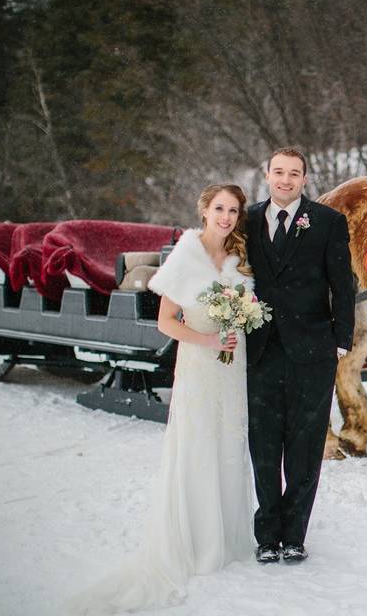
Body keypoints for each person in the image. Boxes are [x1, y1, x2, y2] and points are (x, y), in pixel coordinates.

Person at [66, 184, 256, 614]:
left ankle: (227, 537)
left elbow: (247, 306)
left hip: (234, 365)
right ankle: (197, 542)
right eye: (219, 208)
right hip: (201, 363)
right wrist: (207, 340)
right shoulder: (185, 257)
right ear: (205, 211)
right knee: (199, 444)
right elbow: (166, 323)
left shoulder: (237, 259)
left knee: (229, 443)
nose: (226, 217)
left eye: (233, 210)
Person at [245, 148, 355, 564]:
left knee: (306, 446)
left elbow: (343, 285)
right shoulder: (248, 219)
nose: (285, 180)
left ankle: (294, 535)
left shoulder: (327, 222)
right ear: (267, 174)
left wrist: (340, 340)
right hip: (259, 350)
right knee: (264, 445)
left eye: (294, 174)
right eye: (278, 172)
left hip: (313, 350)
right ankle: (266, 535)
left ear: (305, 179)